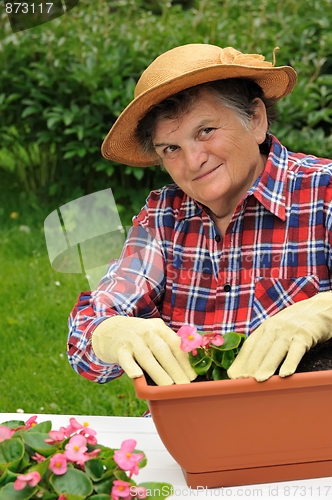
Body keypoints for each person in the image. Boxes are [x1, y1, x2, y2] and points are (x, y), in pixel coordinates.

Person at [67, 43, 332, 387]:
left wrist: (324, 309)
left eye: (205, 131)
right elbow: (91, 343)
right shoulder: (164, 216)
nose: (193, 162)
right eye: (171, 149)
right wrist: (108, 331)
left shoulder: (323, 191)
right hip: (186, 430)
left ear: (255, 120)